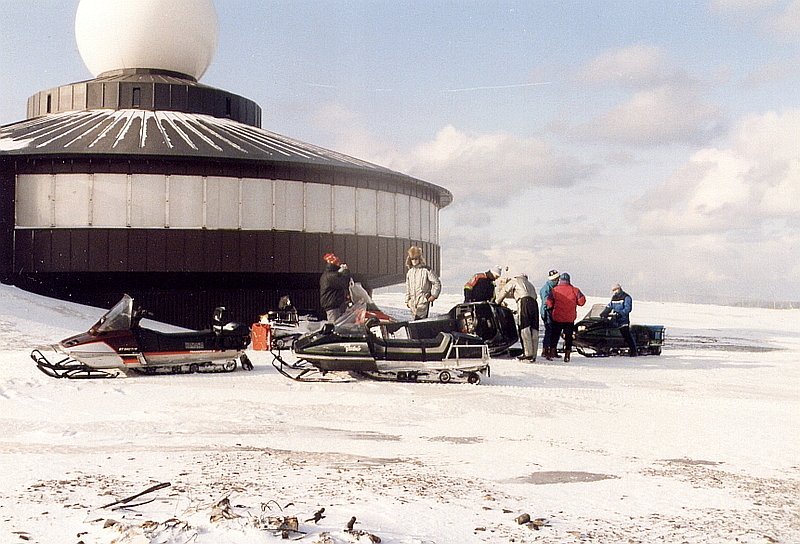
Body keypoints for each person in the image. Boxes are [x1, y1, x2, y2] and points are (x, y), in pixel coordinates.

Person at [496, 271, 539, 361]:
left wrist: (497, 302)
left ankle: (527, 353)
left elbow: (505, 290)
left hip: (524, 302)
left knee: (524, 326)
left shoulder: (515, 280)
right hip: (534, 304)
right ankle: (534, 354)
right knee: (534, 329)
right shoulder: (530, 284)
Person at [545, 272, 586, 362]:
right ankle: (567, 355)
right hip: (569, 318)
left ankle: (552, 352)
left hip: (557, 317)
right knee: (568, 337)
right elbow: (582, 302)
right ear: (569, 280)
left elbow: (549, 302)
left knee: (554, 335)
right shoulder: (575, 290)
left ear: (560, 280)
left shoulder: (554, 290)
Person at [404, 246, 441, 320]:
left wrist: (433, 296)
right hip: (413, 303)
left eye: (416, 258)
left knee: (419, 322)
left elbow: (436, 283)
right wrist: (407, 301)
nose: (414, 261)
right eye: (412, 259)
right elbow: (408, 287)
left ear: (419, 259)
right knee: (415, 323)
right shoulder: (410, 272)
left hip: (423, 301)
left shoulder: (426, 270)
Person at [603, 283, 637, 356]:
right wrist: (604, 312)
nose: (615, 291)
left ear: (619, 288)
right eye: (613, 290)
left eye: (615, 289)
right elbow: (610, 306)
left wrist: (620, 314)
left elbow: (627, 309)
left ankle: (633, 350)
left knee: (626, 334)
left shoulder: (626, 297)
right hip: (615, 320)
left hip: (623, 320)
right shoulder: (614, 297)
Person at [319, 253, 351, 322]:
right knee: (335, 327)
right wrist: (345, 271)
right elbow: (344, 282)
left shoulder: (330, 275)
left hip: (335, 306)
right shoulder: (331, 276)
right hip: (334, 307)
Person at [539, 269, 560, 360]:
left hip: (550, 311)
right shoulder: (546, 289)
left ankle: (550, 349)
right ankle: (546, 350)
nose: (558, 281)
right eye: (557, 279)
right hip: (547, 311)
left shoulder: (551, 288)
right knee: (549, 331)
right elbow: (546, 302)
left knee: (551, 331)